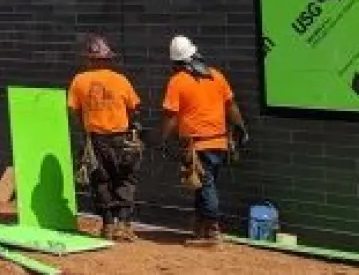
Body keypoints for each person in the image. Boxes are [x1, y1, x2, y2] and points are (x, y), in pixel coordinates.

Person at [158, 35, 248, 246]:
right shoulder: (216, 76)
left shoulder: (177, 81)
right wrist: (241, 127)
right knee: (204, 184)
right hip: (219, 143)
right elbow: (231, 105)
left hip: (197, 145)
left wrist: (163, 139)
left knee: (206, 185)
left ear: (176, 62)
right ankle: (201, 227)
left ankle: (213, 230)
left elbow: (171, 115)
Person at [66, 34, 143, 241]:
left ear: (90, 59)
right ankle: (123, 225)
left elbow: (73, 110)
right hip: (121, 138)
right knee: (125, 179)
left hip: (95, 139)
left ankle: (108, 225)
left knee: (101, 180)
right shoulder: (121, 80)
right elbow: (134, 108)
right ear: (108, 59)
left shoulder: (79, 80)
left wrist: (84, 133)